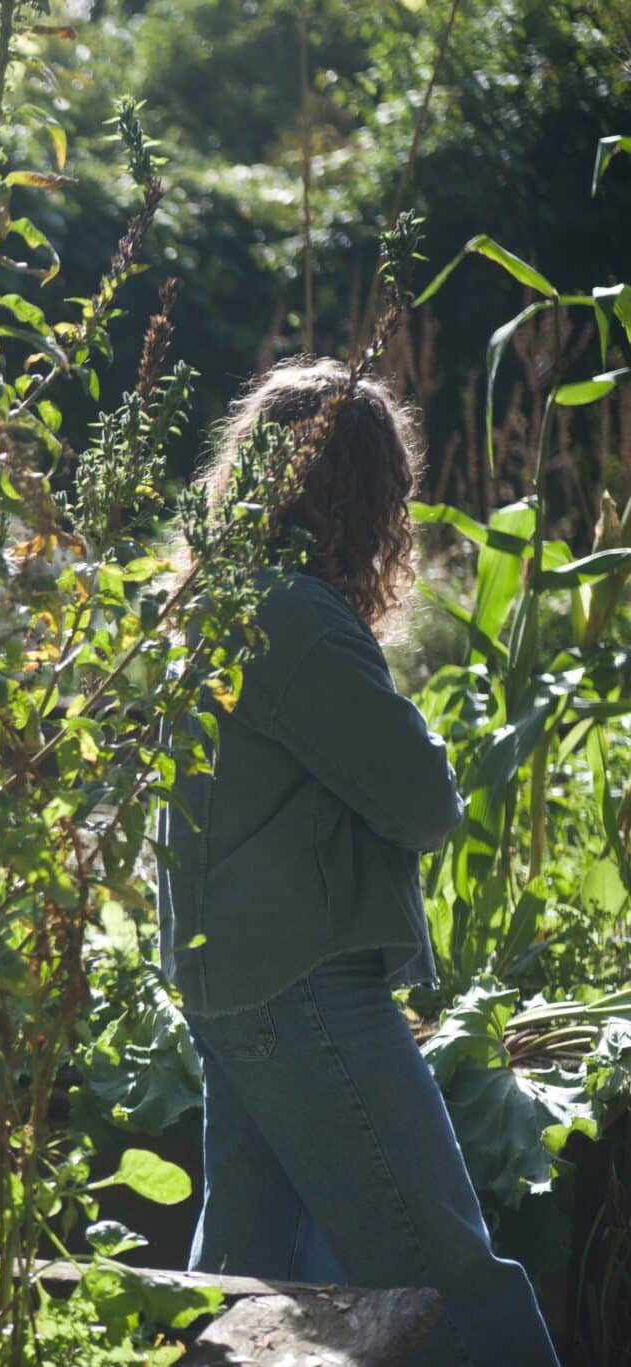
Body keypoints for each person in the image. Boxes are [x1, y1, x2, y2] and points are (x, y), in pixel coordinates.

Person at [154, 357, 560, 1366]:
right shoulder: (290, 617)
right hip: (304, 988)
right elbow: (423, 801)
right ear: (364, 496)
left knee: (248, 1287)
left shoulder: (218, 602)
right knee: (446, 1282)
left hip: (234, 986)